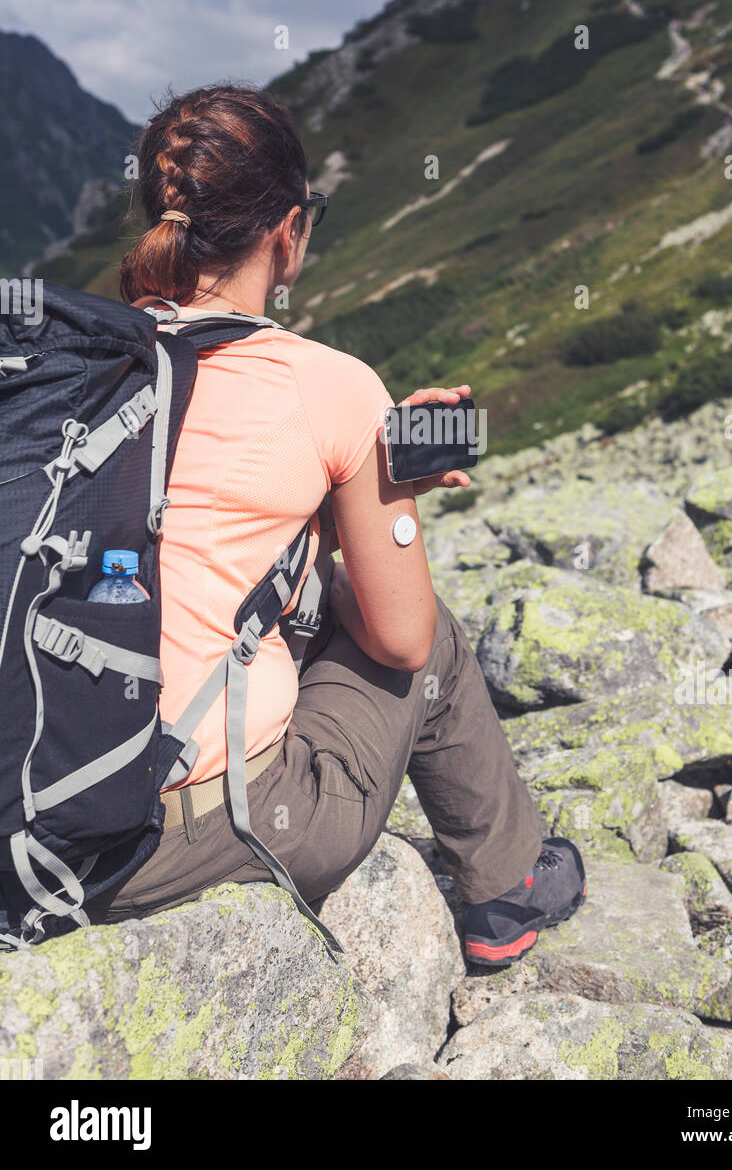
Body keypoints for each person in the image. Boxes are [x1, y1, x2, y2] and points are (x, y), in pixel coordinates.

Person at [91, 83, 586, 968]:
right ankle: (505, 891)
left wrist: (324, 507)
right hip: (172, 839)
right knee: (430, 641)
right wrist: (376, 491)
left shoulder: (76, 363)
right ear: (289, 230)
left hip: (39, 801)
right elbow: (399, 641)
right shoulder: (330, 385)